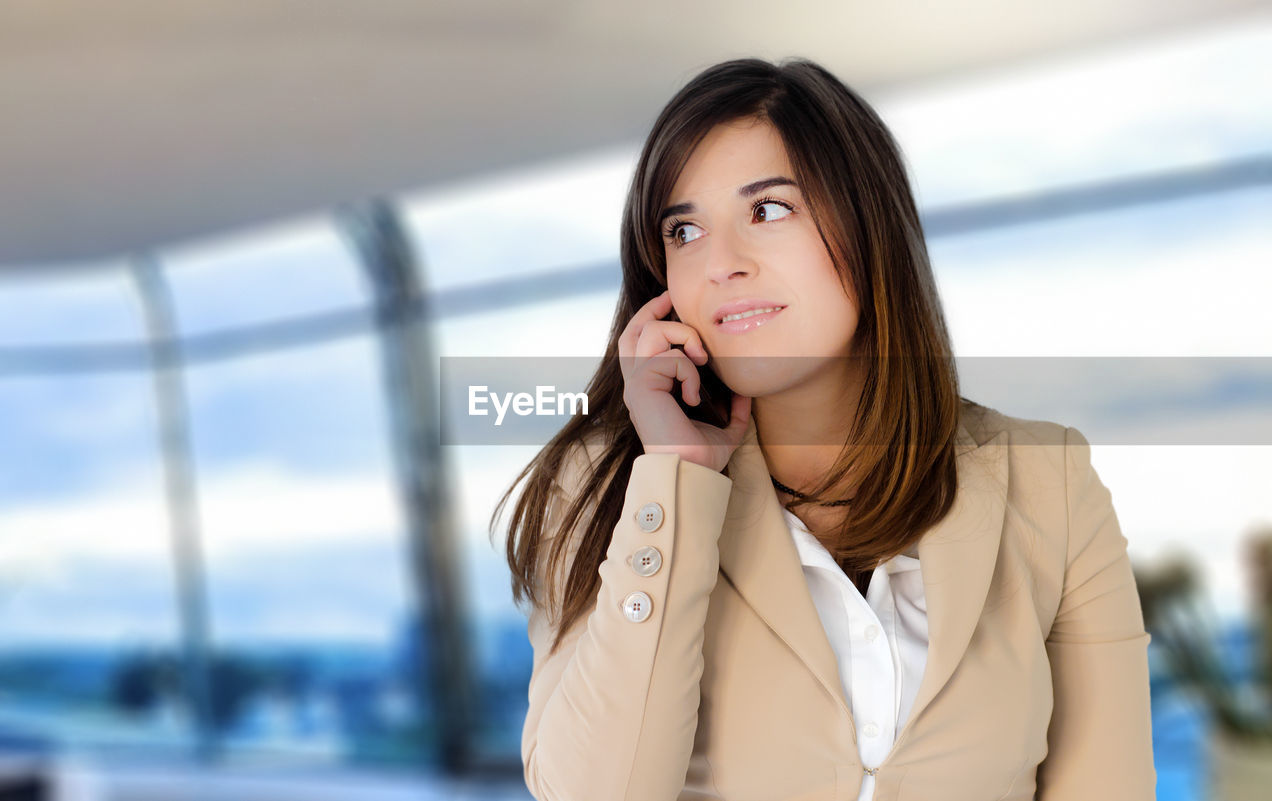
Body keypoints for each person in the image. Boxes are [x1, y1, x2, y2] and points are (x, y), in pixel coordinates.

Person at [493, 57, 1155, 801]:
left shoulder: (1049, 481)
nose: (720, 265)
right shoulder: (606, 485)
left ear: (867, 224)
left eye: (768, 210)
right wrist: (675, 480)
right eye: (683, 229)